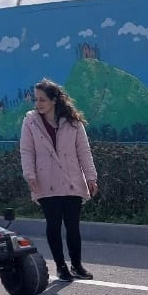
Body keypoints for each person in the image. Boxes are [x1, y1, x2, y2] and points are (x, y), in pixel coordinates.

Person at [20, 79, 98, 282]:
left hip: (72, 179)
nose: (38, 104)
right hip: (45, 180)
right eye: (36, 99)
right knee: (53, 225)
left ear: (54, 100)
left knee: (73, 226)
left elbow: (84, 151)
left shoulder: (73, 121)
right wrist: (30, 175)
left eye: (42, 99)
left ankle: (77, 265)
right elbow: (27, 151)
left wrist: (91, 177)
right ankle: (61, 266)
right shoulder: (30, 122)